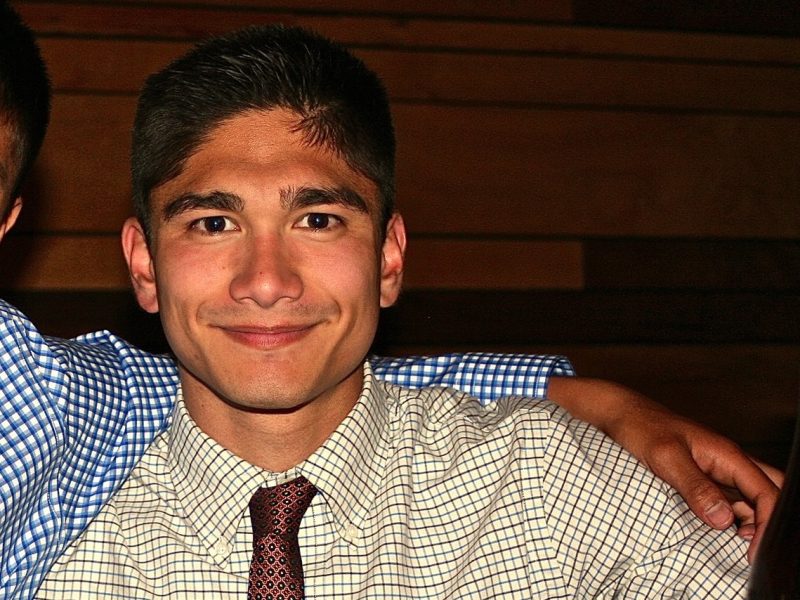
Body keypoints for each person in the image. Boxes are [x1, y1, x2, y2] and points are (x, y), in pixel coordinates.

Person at [33, 25, 766, 597]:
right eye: (214, 224)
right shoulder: (46, 535)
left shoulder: (552, 484)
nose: (266, 282)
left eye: (318, 220)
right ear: (144, 265)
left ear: (388, 257)